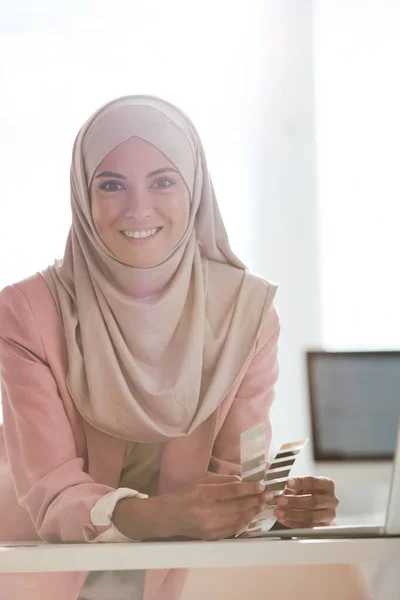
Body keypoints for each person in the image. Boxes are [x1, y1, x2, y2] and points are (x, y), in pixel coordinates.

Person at [0, 95, 363, 600]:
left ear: (194, 189)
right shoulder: (27, 311)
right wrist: (155, 513)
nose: (138, 207)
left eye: (163, 181)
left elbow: (235, 473)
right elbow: (51, 490)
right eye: (110, 185)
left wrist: (274, 505)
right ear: (83, 198)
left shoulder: (246, 314)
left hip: (168, 571)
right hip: (35, 564)